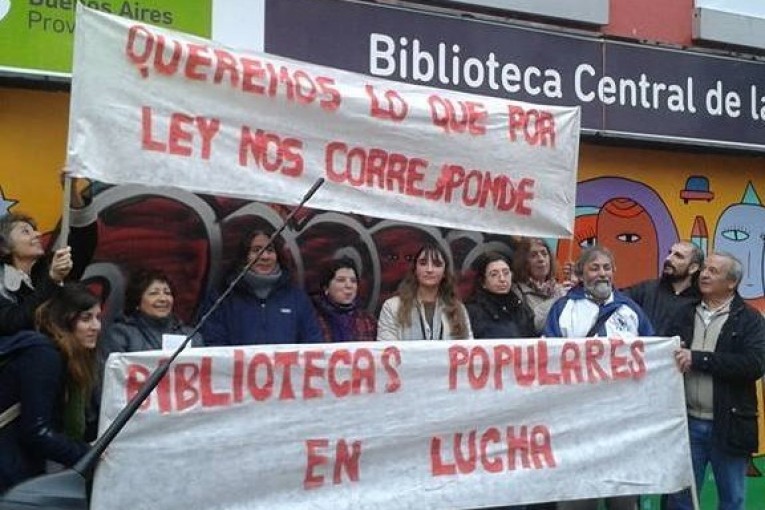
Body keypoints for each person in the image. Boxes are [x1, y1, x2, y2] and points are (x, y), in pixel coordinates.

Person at [543, 246, 653, 510]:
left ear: (614, 272)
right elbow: (546, 356)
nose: (601, 273)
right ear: (581, 274)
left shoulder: (630, 310)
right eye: (594, 268)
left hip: (622, 422)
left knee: (623, 498)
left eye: (606, 267)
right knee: (578, 498)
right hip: (576, 421)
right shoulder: (563, 308)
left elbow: (651, 354)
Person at [667, 252, 765, 510]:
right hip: (686, 423)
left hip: (730, 425)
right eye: (705, 269)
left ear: (731, 283)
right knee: (681, 499)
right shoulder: (684, 312)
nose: (705, 274)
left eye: (713, 271)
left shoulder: (750, 319)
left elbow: (753, 365)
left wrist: (698, 359)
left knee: (732, 499)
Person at [0, 284, 101, 491]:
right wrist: (88, 455)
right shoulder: (43, 355)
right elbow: (37, 431)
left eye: (98, 318)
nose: (96, 326)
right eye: (86, 318)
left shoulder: (60, 356)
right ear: (65, 321)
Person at [201, 226, 323, 345]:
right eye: (256, 250)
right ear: (245, 256)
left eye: (270, 250)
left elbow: (312, 343)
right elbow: (213, 344)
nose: (264, 256)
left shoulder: (297, 298)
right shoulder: (221, 298)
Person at [377, 243, 472, 341]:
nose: (429, 270)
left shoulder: (458, 309)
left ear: (444, 272)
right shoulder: (392, 307)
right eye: (423, 263)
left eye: (437, 264)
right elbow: (387, 351)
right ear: (415, 269)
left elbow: (468, 350)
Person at [100, 269, 203, 360]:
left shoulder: (192, 336)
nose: (163, 299)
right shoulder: (120, 334)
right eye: (154, 293)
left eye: (167, 293)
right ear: (137, 301)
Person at [0, 213, 75, 336]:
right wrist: (53, 280)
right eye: (26, 232)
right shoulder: (2, 283)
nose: (38, 234)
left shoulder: (46, 269)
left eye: (34, 230)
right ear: (4, 246)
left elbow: (84, 240)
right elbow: (12, 323)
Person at [622, 241, 703, 335]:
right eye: (670, 253)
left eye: (678, 256)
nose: (668, 259)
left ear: (693, 268)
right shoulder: (646, 290)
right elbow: (615, 301)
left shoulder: (700, 300)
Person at [467, 252, 535, 339]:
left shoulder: (522, 307)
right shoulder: (473, 311)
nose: (502, 279)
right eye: (494, 274)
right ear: (483, 282)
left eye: (506, 273)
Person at [512, 238, 573, 334]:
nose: (541, 259)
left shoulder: (561, 290)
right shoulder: (516, 292)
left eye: (544, 254)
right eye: (533, 255)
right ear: (524, 262)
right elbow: (533, 325)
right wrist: (557, 301)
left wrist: (577, 291)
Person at [313, 258, 377, 342]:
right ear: (326, 287)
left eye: (353, 281)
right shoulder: (312, 318)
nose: (349, 285)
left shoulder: (367, 320)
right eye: (341, 280)